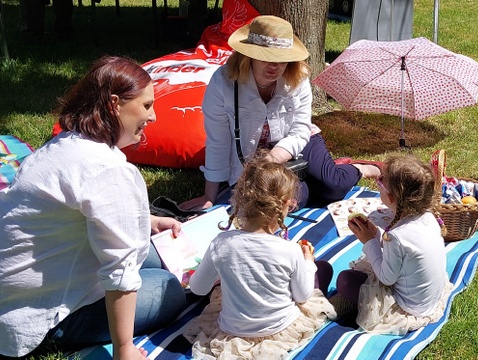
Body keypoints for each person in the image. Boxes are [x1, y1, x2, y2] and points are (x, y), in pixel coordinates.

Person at [0, 56, 188, 359]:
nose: (153, 117)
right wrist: (124, 348)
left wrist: (146, 219)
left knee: (152, 253)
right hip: (30, 321)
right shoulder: (108, 169)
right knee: (168, 289)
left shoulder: (65, 144)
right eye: (147, 106)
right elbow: (120, 272)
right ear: (115, 104)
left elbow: (80, 209)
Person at [179, 15, 381, 211]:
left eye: (282, 59)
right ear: (249, 55)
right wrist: (209, 196)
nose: (275, 66)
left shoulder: (298, 78)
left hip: (300, 142)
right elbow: (218, 140)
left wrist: (273, 158)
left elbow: (300, 130)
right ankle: (311, 178)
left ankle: (359, 168)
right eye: (267, 58)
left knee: (334, 186)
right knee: (283, 203)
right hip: (251, 157)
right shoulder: (223, 82)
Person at [183, 154, 336, 359]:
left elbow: (198, 288)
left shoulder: (221, 244)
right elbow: (302, 296)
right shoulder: (289, 250)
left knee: (221, 290)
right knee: (322, 269)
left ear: (240, 199)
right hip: (280, 328)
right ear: (284, 205)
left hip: (232, 330)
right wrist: (308, 262)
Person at [332, 154, 453, 334]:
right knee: (363, 269)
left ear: (391, 197)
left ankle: (349, 305)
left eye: (380, 183)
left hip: (407, 308)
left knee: (346, 281)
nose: (377, 185)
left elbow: (386, 278)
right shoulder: (428, 217)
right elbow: (406, 255)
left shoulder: (397, 237)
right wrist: (376, 235)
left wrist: (369, 241)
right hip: (426, 300)